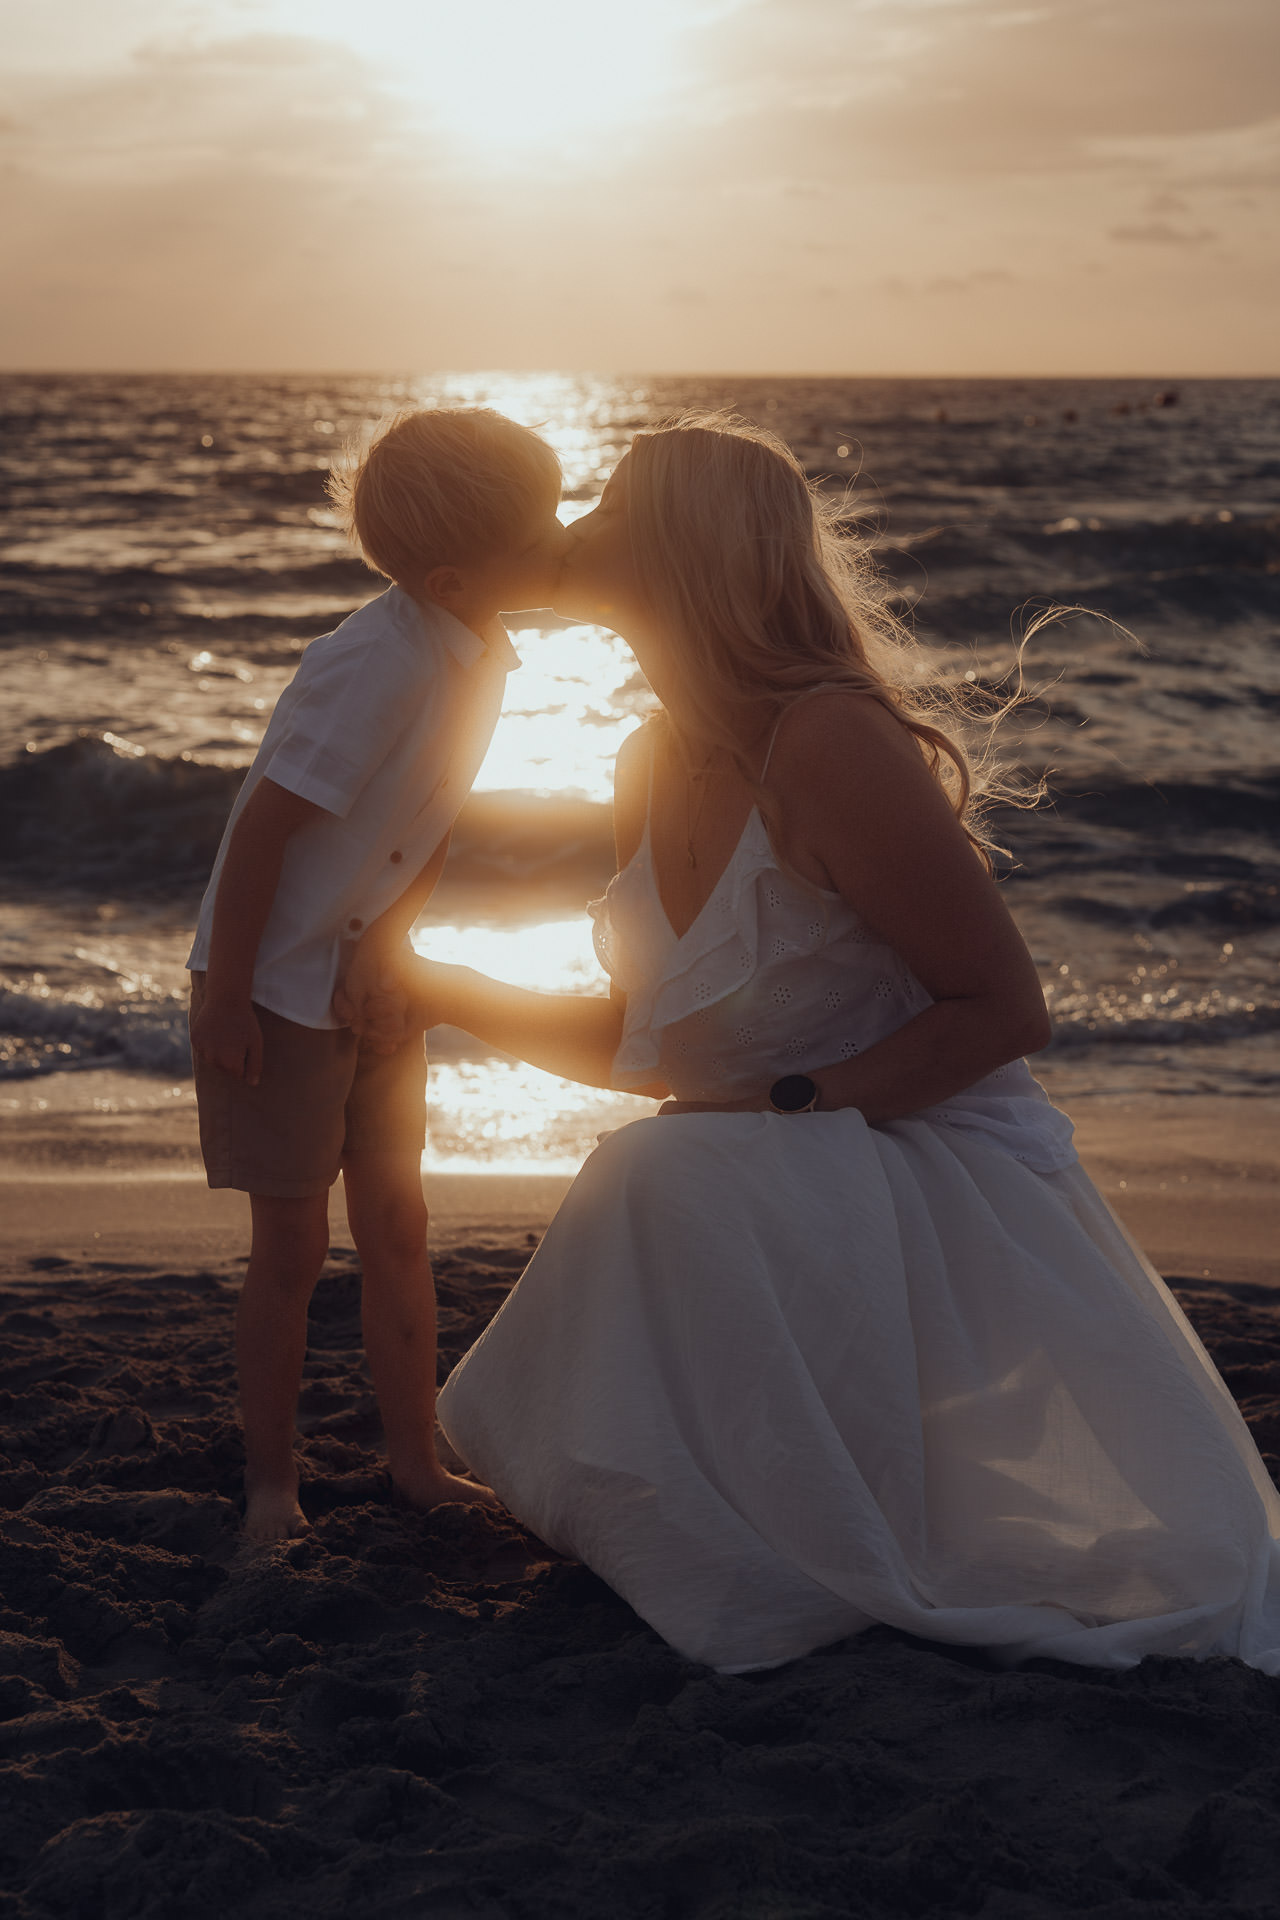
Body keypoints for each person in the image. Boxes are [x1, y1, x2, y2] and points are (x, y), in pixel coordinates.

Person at [378, 411, 1280, 1676]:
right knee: (658, 1162)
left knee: (659, 1170)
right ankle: (715, 1520)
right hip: (797, 1162)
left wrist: (793, 1103)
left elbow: (1004, 1012)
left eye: (615, 507)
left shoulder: (829, 742)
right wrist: (447, 990)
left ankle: (769, 1549)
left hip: (941, 1170)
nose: (578, 530)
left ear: (686, 551)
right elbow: (665, 1046)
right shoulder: (646, 758)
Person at [187, 406, 566, 1544]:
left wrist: (389, 948)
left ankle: (413, 1462)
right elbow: (262, 832)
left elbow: (424, 823)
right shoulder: (372, 666)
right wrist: (225, 995)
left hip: (361, 972)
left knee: (398, 1221)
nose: (560, 545)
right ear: (452, 576)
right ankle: (271, 1486)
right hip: (269, 986)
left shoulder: (481, 646)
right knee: (294, 1246)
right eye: (537, 534)